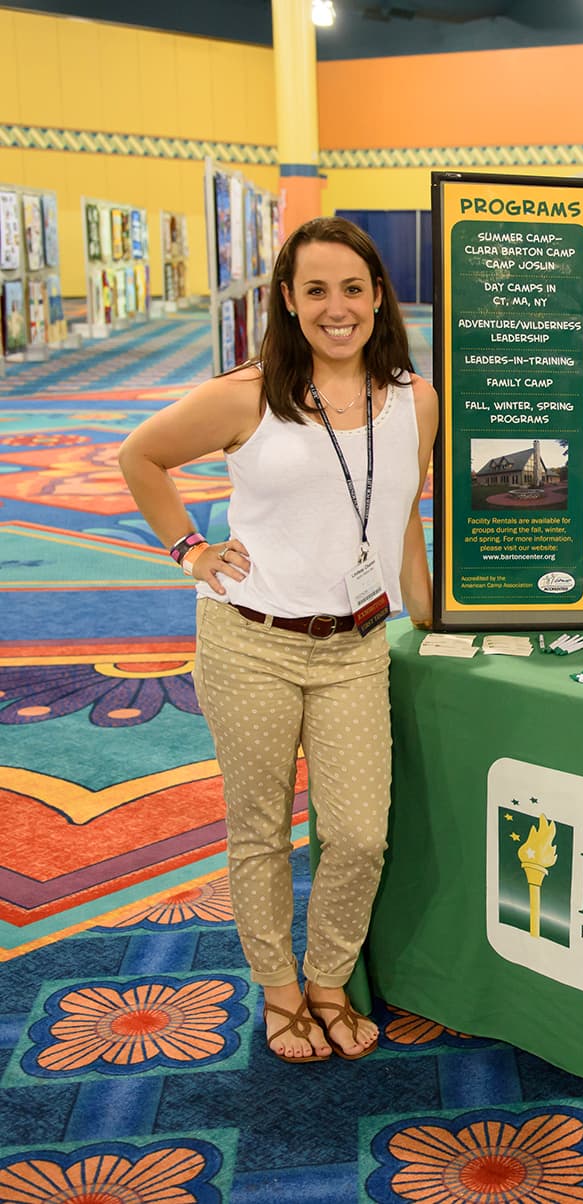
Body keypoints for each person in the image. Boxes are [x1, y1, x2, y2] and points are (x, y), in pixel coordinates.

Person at [117, 216, 438, 1064]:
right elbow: (140, 457)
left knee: (360, 833)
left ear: (379, 297)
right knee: (260, 830)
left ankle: (329, 977)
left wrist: (428, 616)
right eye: (317, 290)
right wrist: (191, 550)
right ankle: (281, 991)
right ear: (289, 302)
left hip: (355, 648)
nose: (338, 308)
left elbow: (401, 517)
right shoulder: (248, 395)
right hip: (250, 642)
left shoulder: (415, 399)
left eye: (353, 289)